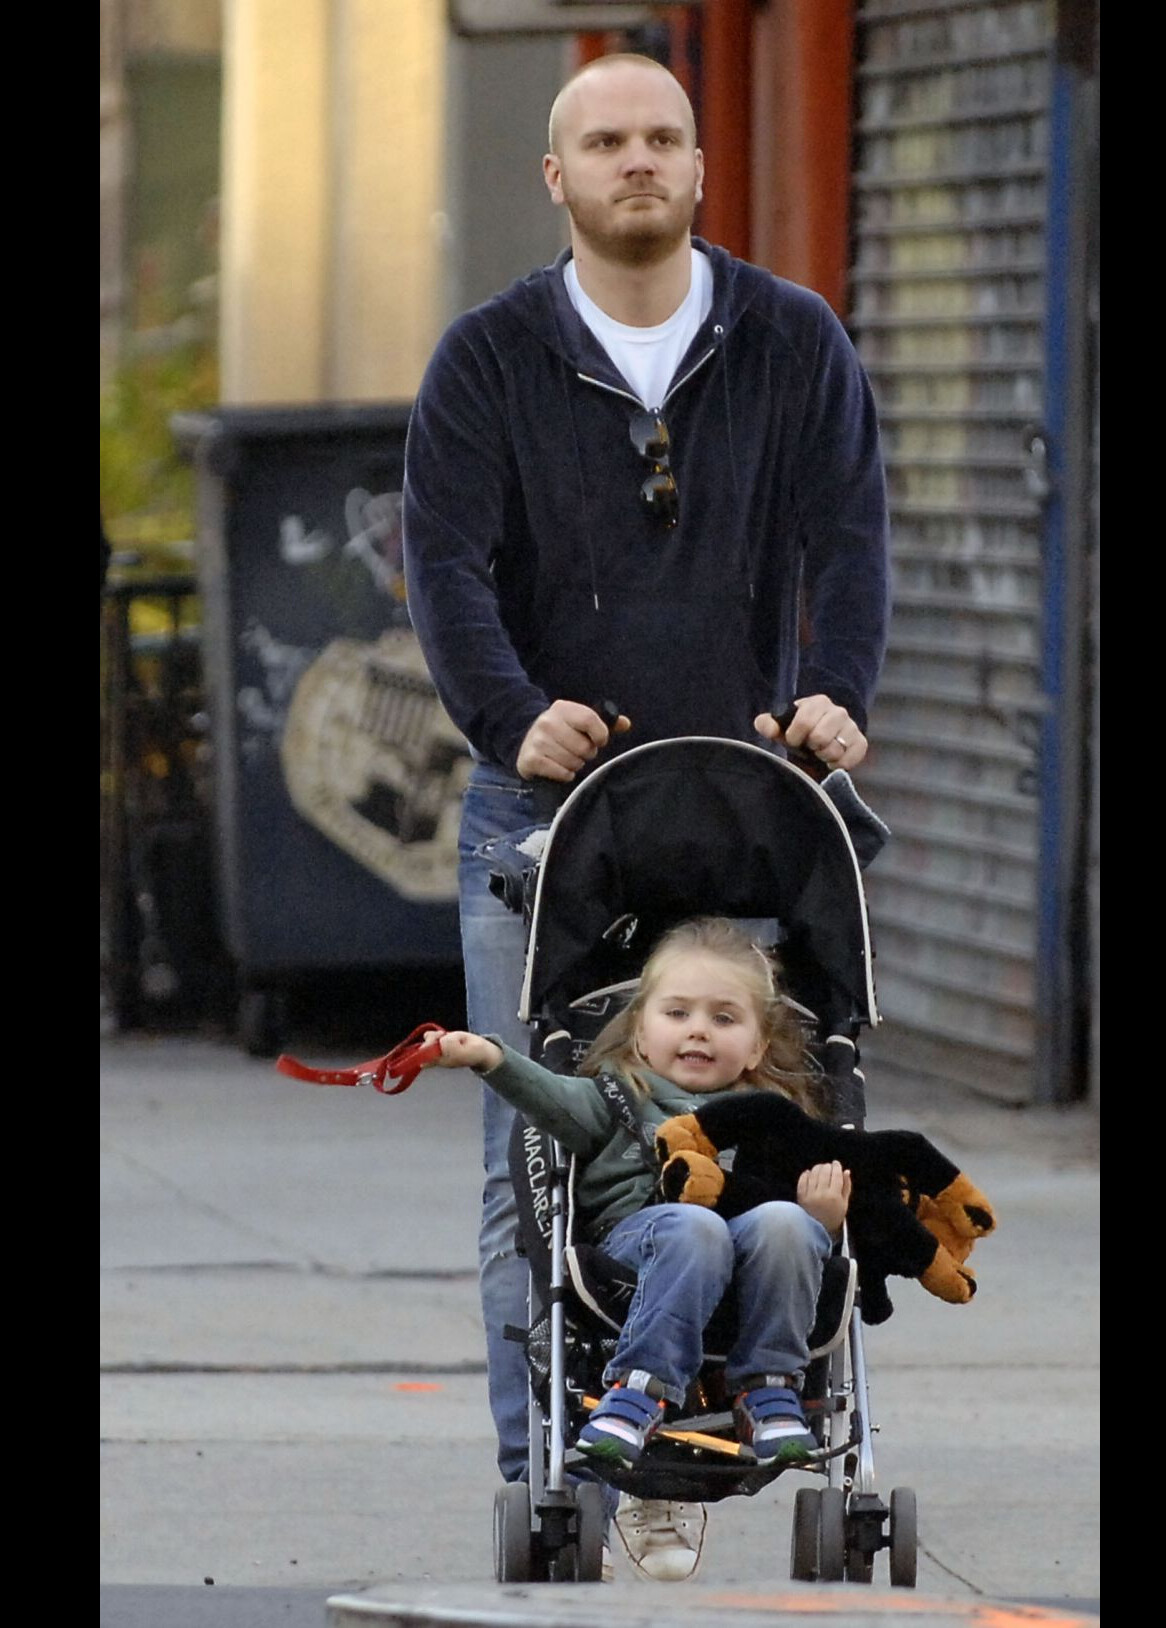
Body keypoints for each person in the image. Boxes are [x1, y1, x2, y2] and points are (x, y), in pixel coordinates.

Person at [401, 51, 889, 1580]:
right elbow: (448, 562)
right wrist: (507, 712)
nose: (638, 161)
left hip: (750, 800)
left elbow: (849, 532)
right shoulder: (488, 359)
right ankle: (547, 1485)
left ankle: (723, 1430)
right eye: (604, 141)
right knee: (530, 1159)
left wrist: (833, 692)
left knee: (746, 1137)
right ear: (556, 175)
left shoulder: (790, 340)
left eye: (663, 138)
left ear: (697, 168)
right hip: (544, 805)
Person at [416, 918, 852, 1577]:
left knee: (788, 1224)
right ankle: (639, 1387)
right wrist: (491, 1059)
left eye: (724, 1017)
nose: (699, 1030)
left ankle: (768, 1383)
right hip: (636, 1258)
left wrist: (821, 1220)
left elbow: (808, 1233)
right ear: (642, 1031)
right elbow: (548, 1097)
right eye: (678, 1013)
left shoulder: (780, 1120)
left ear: (759, 1045)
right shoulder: (616, 1097)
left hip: (752, 1282)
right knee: (693, 1224)